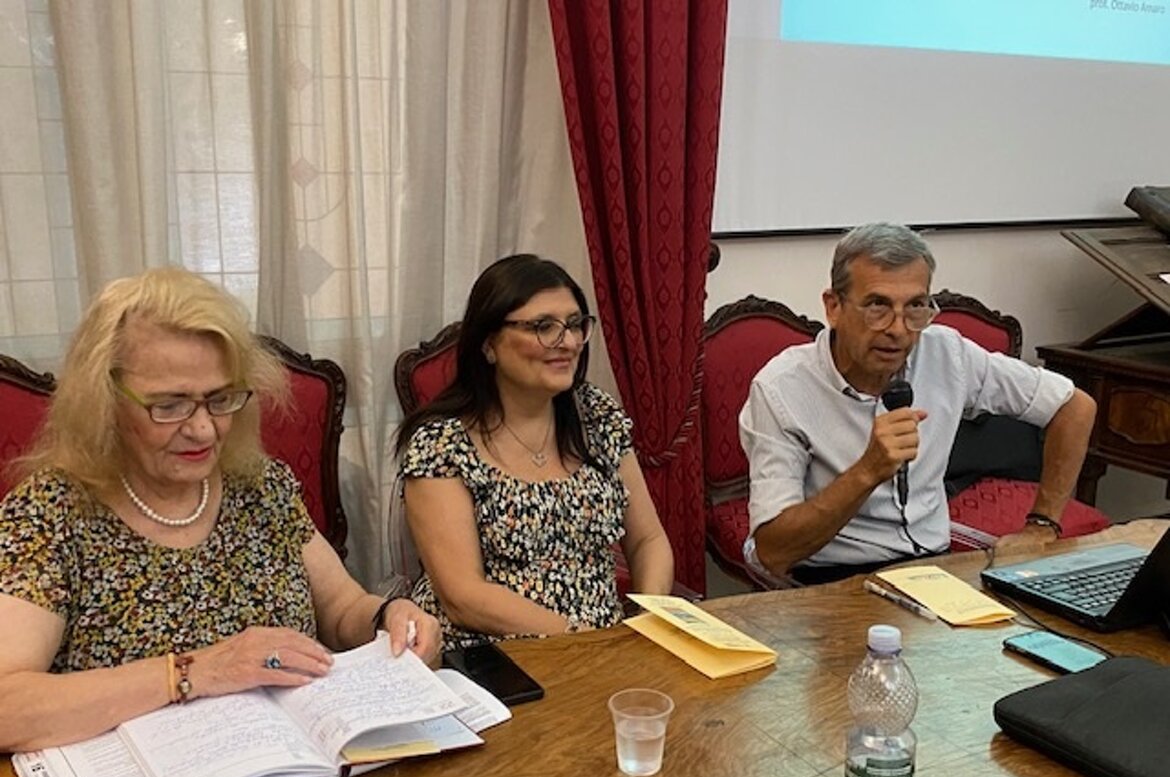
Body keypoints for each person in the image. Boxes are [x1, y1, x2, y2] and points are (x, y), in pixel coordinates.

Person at [0, 268, 439, 752]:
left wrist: (390, 619)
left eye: (220, 399)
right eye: (170, 405)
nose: (204, 430)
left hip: (289, 767)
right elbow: (6, 705)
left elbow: (341, 608)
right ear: (103, 400)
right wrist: (193, 672)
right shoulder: (52, 513)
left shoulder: (260, 485)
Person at [740, 222, 1097, 585]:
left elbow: (1074, 407)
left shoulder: (947, 353)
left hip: (934, 570)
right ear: (834, 307)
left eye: (915, 307)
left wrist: (1042, 525)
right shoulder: (781, 388)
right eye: (877, 306)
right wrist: (868, 471)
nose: (898, 330)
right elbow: (773, 552)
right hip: (830, 578)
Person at [395, 254, 674, 651]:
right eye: (544, 327)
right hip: (491, 652)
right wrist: (587, 641)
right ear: (488, 344)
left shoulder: (595, 414)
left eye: (575, 324)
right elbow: (463, 596)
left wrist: (648, 621)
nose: (569, 342)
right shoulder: (440, 444)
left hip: (608, 646)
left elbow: (648, 540)